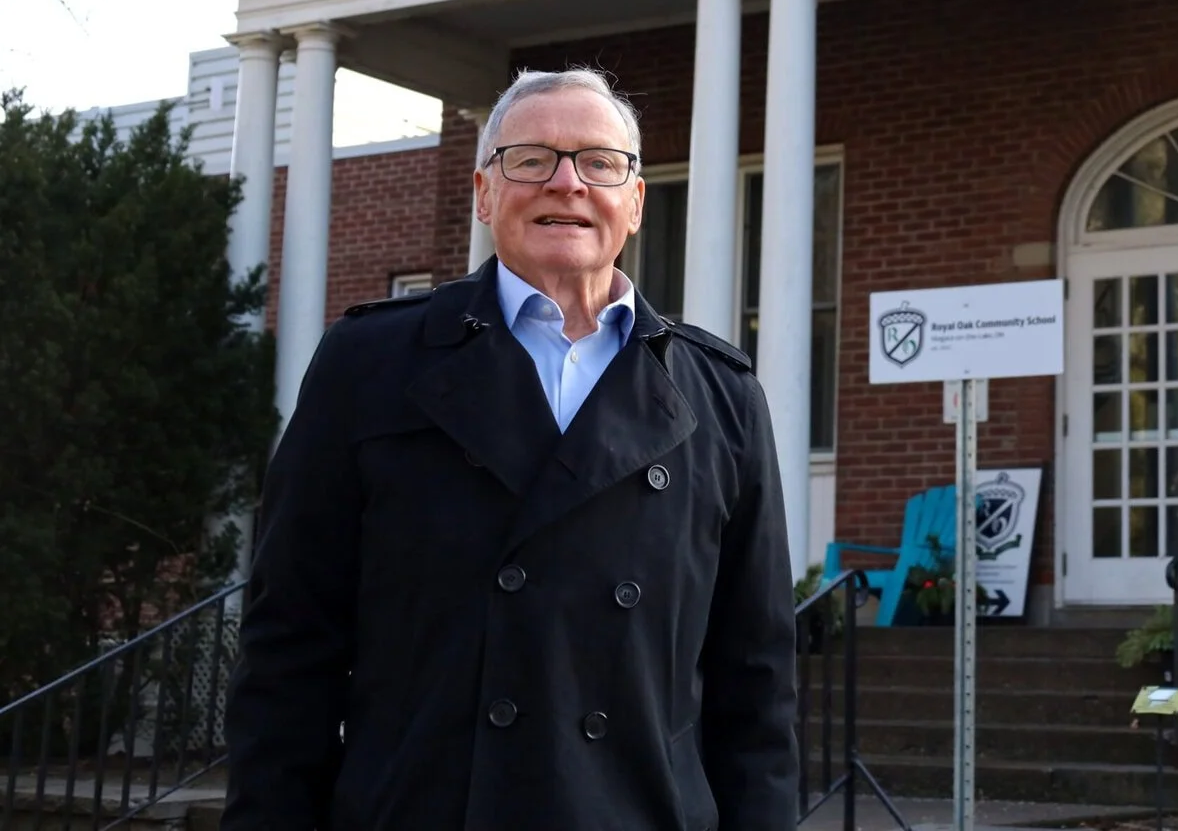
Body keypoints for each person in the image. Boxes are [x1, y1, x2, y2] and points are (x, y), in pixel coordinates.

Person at [222, 66, 798, 830]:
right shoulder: (370, 365)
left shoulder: (723, 396)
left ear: (635, 202)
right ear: (485, 192)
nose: (567, 183)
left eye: (599, 162)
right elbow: (289, 647)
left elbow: (755, 683)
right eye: (530, 159)